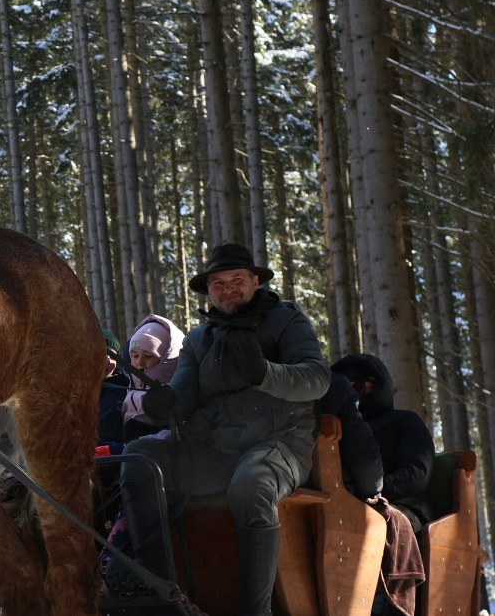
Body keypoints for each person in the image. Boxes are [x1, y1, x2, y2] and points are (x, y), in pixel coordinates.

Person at [119, 243, 329, 615]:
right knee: (139, 458)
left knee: (252, 485)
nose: (228, 289)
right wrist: (164, 403)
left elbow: (317, 379)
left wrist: (265, 373)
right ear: (209, 290)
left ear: (255, 282)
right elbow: (182, 396)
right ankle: (164, 596)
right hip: (214, 451)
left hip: (278, 443)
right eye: (219, 283)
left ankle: (256, 611)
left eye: (237, 280)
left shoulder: (286, 321)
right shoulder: (198, 340)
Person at [331, 353, 434, 532]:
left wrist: (368, 491)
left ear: (378, 385)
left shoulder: (405, 421)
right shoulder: (337, 429)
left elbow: (416, 475)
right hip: (341, 502)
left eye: (359, 387)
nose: (353, 395)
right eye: (346, 390)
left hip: (402, 507)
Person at [120, 315, 185, 442]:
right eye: (135, 356)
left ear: (167, 357)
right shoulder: (128, 389)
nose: (139, 363)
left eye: (148, 356)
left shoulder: (185, 389)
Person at [321, 372, 384, 500]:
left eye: (362, 388)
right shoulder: (336, 386)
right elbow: (370, 476)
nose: (358, 394)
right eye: (358, 387)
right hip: (323, 492)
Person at [99, 328, 129, 447]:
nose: (107, 360)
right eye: (101, 353)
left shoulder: (126, 388)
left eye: (112, 355)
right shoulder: (73, 391)